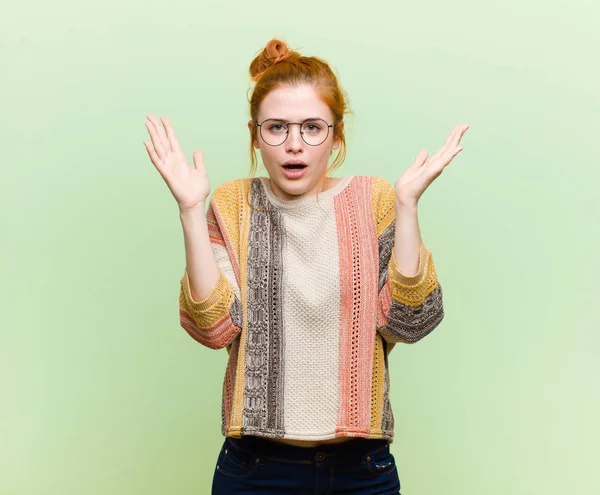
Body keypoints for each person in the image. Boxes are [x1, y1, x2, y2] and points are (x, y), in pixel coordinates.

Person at [143, 37, 469, 495]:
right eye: (276, 128)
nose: (294, 144)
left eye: (312, 128)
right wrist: (190, 211)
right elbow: (213, 328)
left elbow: (411, 322)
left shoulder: (374, 200)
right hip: (255, 469)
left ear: (336, 135)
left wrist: (408, 206)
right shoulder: (235, 203)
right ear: (255, 133)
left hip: (361, 469)